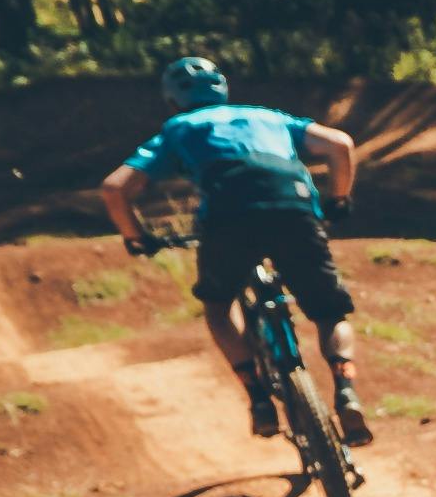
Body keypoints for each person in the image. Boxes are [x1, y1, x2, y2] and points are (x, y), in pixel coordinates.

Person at [98, 56, 376, 445]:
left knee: (218, 305)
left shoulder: (178, 127)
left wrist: (135, 236)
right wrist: (339, 199)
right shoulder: (267, 116)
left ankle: (258, 397)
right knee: (330, 312)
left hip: (227, 222)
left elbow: (115, 188)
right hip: (294, 211)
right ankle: (346, 390)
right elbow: (339, 144)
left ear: (172, 101)